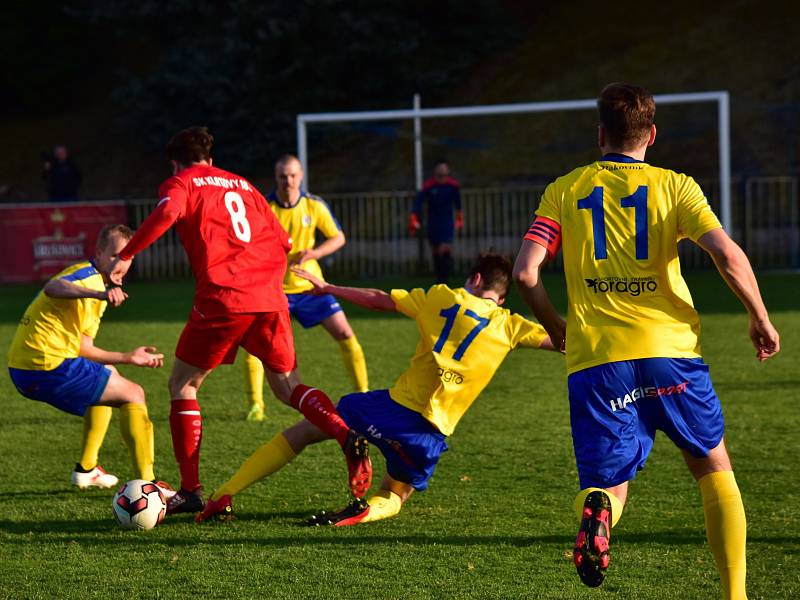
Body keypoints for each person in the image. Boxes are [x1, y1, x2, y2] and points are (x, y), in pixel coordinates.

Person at [513, 83, 780, 598]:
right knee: (711, 465)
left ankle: (599, 511)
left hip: (597, 357)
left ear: (599, 134)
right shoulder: (676, 186)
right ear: (652, 134)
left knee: (608, 483)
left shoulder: (564, 189)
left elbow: (525, 273)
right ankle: (736, 595)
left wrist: (553, 324)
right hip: (670, 352)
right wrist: (759, 316)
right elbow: (727, 254)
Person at [107, 126, 372, 515]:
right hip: (270, 297)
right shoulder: (244, 186)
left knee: (183, 384)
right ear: (210, 160)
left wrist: (128, 254)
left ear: (176, 162)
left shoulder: (182, 181)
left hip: (224, 297)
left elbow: (167, 211)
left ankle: (192, 490)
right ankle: (343, 432)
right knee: (288, 387)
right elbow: (283, 242)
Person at [196, 253, 558, 525]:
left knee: (307, 430)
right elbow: (565, 341)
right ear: (502, 297)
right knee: (396, 494)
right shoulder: (511, 326)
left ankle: (224, 493)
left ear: (475, 278)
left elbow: (377, 298)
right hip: (431, 433)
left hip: (388, 409)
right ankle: (363, 513)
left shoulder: (442, 296)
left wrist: (329, 288)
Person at [7, 224, 168, 490]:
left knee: (109, 377)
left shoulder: (99, 283)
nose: (121, 262)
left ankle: (87, 469)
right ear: (100, 253)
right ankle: (149, 486)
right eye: (115, 254)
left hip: (27, 367)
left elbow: (84, 348)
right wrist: (99, 294)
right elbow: (52, 287)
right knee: (134, 394)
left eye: (128, 256)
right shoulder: (88, 278)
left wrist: (128, 357)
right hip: (46, 363)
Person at [241, 155, 368, 422]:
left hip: (312, 288)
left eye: (292, 175)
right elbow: (248, 244)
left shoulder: (313, 205)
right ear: (276, 178)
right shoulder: (264, 207)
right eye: (282, 176)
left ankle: (363, 395)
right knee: (256, 346)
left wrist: (315, 253)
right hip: (275, 292)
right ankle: (256, 405)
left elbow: (338, 237)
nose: (288, 181)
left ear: (300, 176)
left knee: (345, 333)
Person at [408, 160, 463, 284]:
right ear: (436, 171)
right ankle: (439, 279)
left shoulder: (453, 186)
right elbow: (418, 203)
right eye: (440, 168)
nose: (442, 171)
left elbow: (458, 204)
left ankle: (445, 279)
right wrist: (414, 217)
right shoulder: (429, 186)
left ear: (447, 171)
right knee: (436, 250)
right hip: (433, 221)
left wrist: (459, 219)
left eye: (444, 168)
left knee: (445, 248)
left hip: (447, 221)